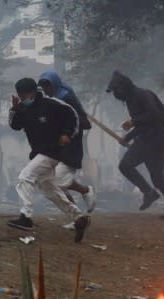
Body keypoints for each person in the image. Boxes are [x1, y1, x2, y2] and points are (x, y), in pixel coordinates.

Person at [8, 78, 90, 243]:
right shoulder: (23, 108)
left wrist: (67, 133)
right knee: (48, 189)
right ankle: (79, 217)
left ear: (33, 92)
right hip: (39, 152)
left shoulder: (51, 104)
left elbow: (72, 114)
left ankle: (26, 217)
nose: (23, 98)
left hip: (52, 151)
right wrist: (15, 108)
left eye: (24, 95)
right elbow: (15, 125)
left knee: (25, 177)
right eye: (20, 96)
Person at [106, 71, 164, 219]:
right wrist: (128, 137)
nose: (115, 94)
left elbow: (154, 115)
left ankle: (155, 196)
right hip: (146, 140)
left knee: (131, 168)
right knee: (155, 176)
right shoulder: (130, 99)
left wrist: (133, 122)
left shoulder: (142, 95)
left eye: (116, 90)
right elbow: (144, 125)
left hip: (155, 142)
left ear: (123, 87)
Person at [38, 71, 96, 223]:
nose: (45, 89)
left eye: (48, 85)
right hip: (57, 147)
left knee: (57, 182)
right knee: (56, 185)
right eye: (43, 85)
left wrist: (66, 132)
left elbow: (82, 122)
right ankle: (77, 218)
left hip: (70, 146)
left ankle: (85, 192)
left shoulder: (66, 98)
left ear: (55, 84)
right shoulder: (52, 100)